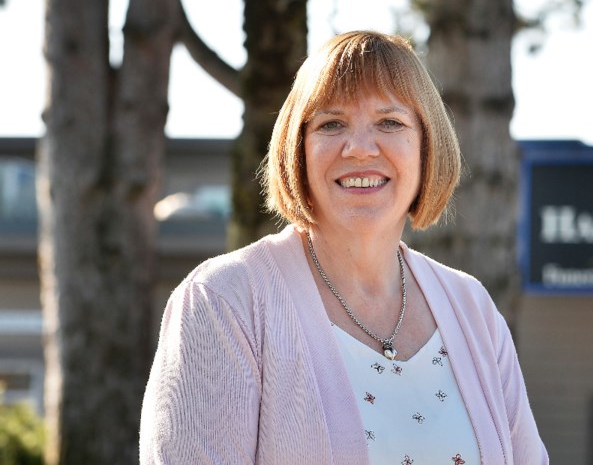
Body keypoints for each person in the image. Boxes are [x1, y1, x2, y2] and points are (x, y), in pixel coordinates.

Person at [140, 31, 548, 464]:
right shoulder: (226, 301)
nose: (358, 149)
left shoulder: (473, 310)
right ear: (297, 149)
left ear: (428, 146)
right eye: (331, 124)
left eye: (390, 122)